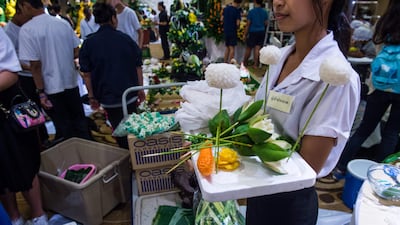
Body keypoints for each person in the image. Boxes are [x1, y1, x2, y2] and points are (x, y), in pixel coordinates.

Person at [251, 0, 360, 224]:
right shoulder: (280, 57)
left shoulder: (337, 78)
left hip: (288, 205)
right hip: (258, 189)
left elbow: (308, 165)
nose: (277, 3)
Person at [334, 0, 400, 180]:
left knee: (364, 128)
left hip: (379, 85)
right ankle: (380, 177)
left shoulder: (383, 23)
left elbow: (377, 50)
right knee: (392, 133)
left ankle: (340, 168)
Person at [18, 0, 92, 141]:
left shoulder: (27, 30)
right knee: (80, 123)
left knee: (64, 128)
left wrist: (40, 92)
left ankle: (74, 159)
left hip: (51, 87)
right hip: (70, 81)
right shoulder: (62, 23)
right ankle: (90, 154)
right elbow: (76, 50)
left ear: (26, 5)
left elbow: (35, 65)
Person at [79, 2, 145, 149]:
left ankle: (126, 154)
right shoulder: (126, 40)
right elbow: (137, 66)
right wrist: (140, 89)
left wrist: (91, 97)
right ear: (114, 18)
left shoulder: (89, 43)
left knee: (118, 128)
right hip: (130, 95)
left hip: (108, 98)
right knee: (134, 128)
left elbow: (87, 74)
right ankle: (137, 153)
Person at [0, 28, 48, 225]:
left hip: (8, 113)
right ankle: (14, 217)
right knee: (1, 172)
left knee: (24, 163)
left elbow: (11, 72)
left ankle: (38, 216)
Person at [4, 4, 50, 147]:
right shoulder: (8, 32)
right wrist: (30, 67)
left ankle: (44, 137)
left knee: (42, 106)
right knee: (31, 108)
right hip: (25, 76)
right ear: (20, 11)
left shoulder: (27, 27)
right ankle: (41, 139)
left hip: (35, 72)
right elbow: (12, 62)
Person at [242, 0, 269, 68]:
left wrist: (245, 34)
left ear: (254, 2)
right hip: (261, 31)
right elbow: (266, 23)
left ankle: (245, 63)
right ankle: (255, 64)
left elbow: (248, 24)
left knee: (249, 48)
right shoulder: (264, 12)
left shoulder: (251, 12)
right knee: (257, 48)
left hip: (253, 31)